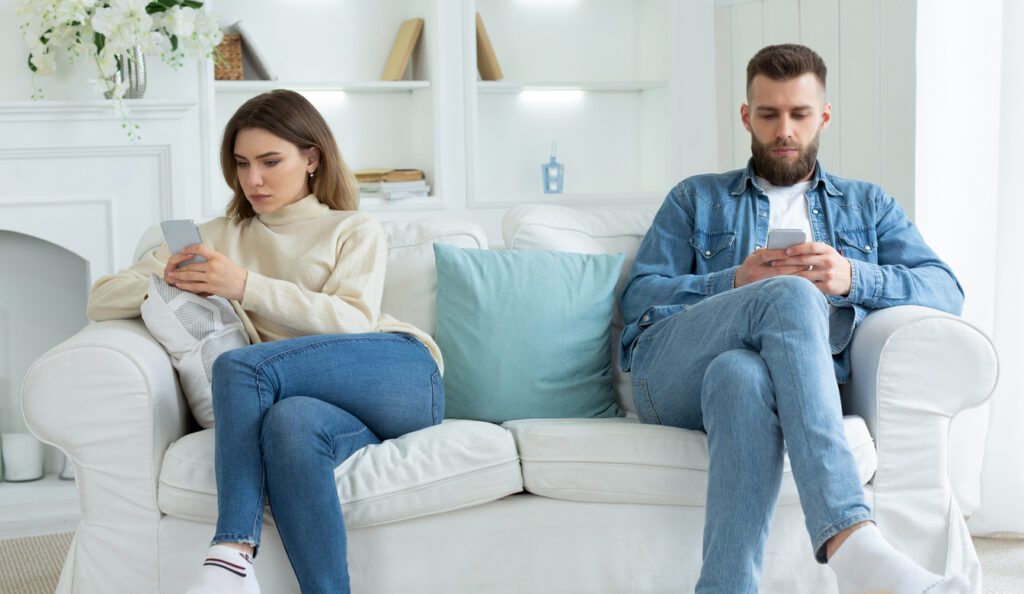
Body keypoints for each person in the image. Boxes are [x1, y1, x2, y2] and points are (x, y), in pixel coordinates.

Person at [619, 44, 970, 594]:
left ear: (823, 116)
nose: (784, 129)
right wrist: (734, 281)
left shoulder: (868, 207)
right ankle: (852, 544)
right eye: (769, 114)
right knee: (786, 295)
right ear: (746, 117)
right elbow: (639, 301)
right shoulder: (694, 199)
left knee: (742, 376)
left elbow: (946, 291)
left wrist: (854, 277)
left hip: (753, 383)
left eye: (800, 114)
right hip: (671, 374)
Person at [87, 89, 444, 594]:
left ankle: (231, 553)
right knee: (288, 425)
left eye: (270, 161)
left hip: (397, 373)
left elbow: (354, 320)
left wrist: (244, 286)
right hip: (315, 403)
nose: (252, 179)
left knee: (241, 366)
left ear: (312, 157)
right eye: (240, 163)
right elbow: (100, 301)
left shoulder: (352, 228)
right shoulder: (213, 237)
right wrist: (162, 276)